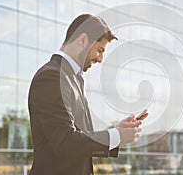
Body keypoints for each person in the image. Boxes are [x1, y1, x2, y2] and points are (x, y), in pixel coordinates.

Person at [28, 14, 148, 175]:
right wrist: (117, 136)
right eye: (99, 50)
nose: (100, 59)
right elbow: (65, 142)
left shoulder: (73, 78)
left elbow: (80, 140)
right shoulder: (52, 77)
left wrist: (117, 130)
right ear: (83, 40)